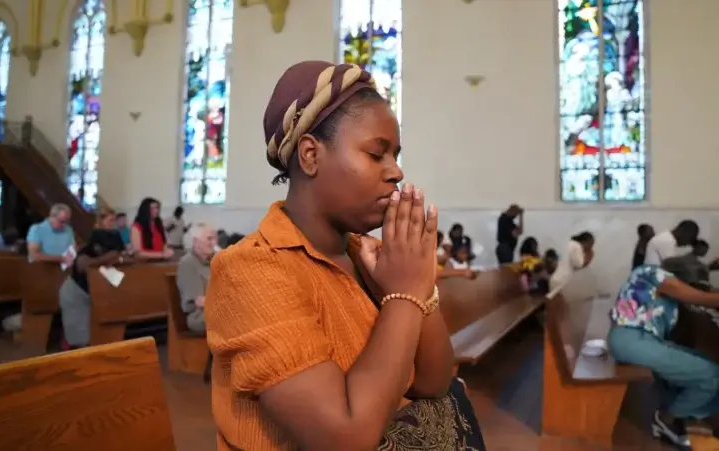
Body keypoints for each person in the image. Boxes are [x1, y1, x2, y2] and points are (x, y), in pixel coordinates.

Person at [205, 61, 485, 450]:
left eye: (396, 155)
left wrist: (420, 283)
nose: (397, 172)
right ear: (310, 155)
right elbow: (345, 437)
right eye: (376, 154)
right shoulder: (250, 270)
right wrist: (404, 294)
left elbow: (434, 382)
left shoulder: (367, 257)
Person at [607, 263, 719, 447]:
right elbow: (699, 298)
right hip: (630, 339)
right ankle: (666, 419)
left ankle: (685, 414)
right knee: (712, 377)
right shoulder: (651, 272)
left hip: (645, 342)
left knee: (706, 365)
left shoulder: (669, 301)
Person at [59, 207, 128, 349]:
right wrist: (105, 259)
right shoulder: (92, 240)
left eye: (114, 221)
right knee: (80, 340)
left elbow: (117, 256)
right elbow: (82, 264)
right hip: (76, 293)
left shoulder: (113, 237)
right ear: (99, 222)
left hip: (92, 291)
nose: (113, 224)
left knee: (90, 337)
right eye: (110, 220)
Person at [176, 223, 218, 333]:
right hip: (199, 316)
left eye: (214, 239)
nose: (214, 243)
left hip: (218, 310)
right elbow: (199, 301)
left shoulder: (215, 260)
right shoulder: (188, 263)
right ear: (195, 242)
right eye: (209, 239)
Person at [547, 231, 595, 298]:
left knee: (557, 303)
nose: (590, 247)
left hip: (556, 278)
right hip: (561, 280)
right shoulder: (577, 246)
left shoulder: (570, 243)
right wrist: (589, 258)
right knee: (558, 305)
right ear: (585, 241)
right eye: (591, 244)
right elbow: (578, 264)